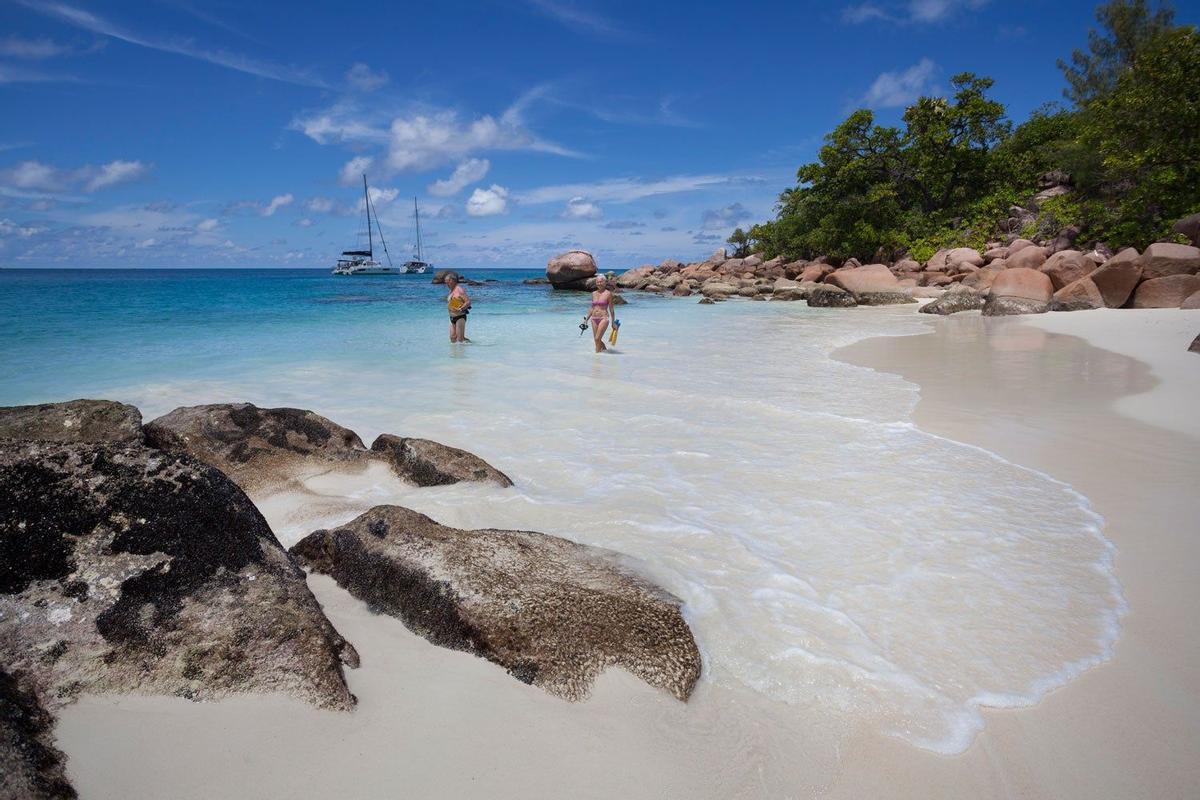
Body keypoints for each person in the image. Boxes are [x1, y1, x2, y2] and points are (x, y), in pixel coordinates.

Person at [585, 274, 614, 353]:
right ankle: (604, 352)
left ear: (605, 283)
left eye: (601, 282)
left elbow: (611, 308)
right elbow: (592, 307)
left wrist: (613, 322)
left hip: (603, 318)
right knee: (596, 340)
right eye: (597, 282)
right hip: (594, 319)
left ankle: (596, 357)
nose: (599, 283)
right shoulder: (593, 293)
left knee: (597, 338)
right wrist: (586, 319)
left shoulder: (608, 294)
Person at [446, 273, 471, 343]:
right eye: (446, 281)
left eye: (448, 281)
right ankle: (454, 354)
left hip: (460, 317)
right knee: (452, 338)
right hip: (451, 317)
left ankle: (471, 345)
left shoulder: (459, 290)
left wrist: (461, 308)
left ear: (453, 281)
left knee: (460, 340)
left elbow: (468, 302)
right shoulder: (451, 290)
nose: (446, 283)